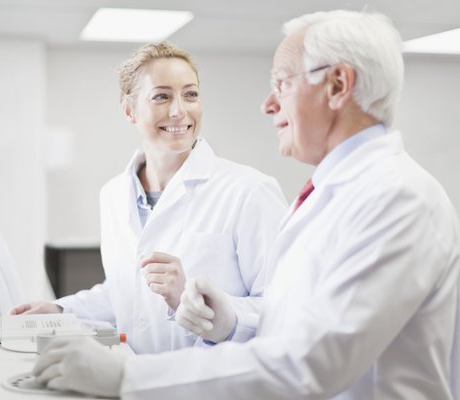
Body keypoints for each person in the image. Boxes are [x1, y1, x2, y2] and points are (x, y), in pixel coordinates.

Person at [31, 9, 460, 399]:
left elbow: (311, 361)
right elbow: (287, 322)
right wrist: (227, 319)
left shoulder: (398, 199)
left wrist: (128, 377)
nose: (268, 103)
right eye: (161, 96)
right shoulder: (326, 196)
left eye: (282, 83)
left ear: (337, 85)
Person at [11, 42, 287, 355]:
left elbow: (282, 309)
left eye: (191, 94)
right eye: (162, 96)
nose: (179, 110)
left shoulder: (249, 190)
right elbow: (126, 291)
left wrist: (194, 303)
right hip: (139, 380)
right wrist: (60, 312)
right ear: (130, 111)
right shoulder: (114, 195)